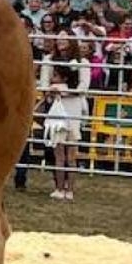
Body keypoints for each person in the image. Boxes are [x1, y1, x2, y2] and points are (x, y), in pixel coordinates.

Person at [41, 65, 85, 200]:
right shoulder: (78, 92)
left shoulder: (56, 88)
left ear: (63, 77)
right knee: (71, 160)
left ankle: (59, 189)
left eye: (55, 75)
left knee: (59, 158)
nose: (52, 78)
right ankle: (70, 190)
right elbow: (84, 108)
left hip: (59, 125)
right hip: (74, 124)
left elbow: (47, 99)